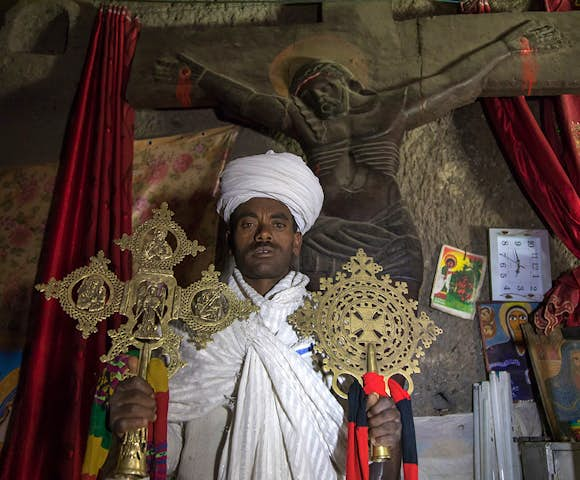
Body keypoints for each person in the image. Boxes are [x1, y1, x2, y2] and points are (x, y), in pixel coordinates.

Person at [155, 20, 560, 299]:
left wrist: (505, 49)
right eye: (309, 93)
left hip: (389, 234)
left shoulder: (390, 112)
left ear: (348, 81)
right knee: (315, 335)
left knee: (394, 335)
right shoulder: (306, 122)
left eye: (326, 86)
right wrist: (202, 77)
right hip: (321, 237)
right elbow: (249, 101)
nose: (320, 97)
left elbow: (457, 85)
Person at [107, 151, 402, 479]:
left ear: (296, 241)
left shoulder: (333, 330)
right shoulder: (188, 328)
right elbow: (163, 452)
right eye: (248, 224)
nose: (264, 234)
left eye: (278, 224)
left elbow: (365, 460)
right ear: (231, 241)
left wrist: (386, 440)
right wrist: (132, 432)